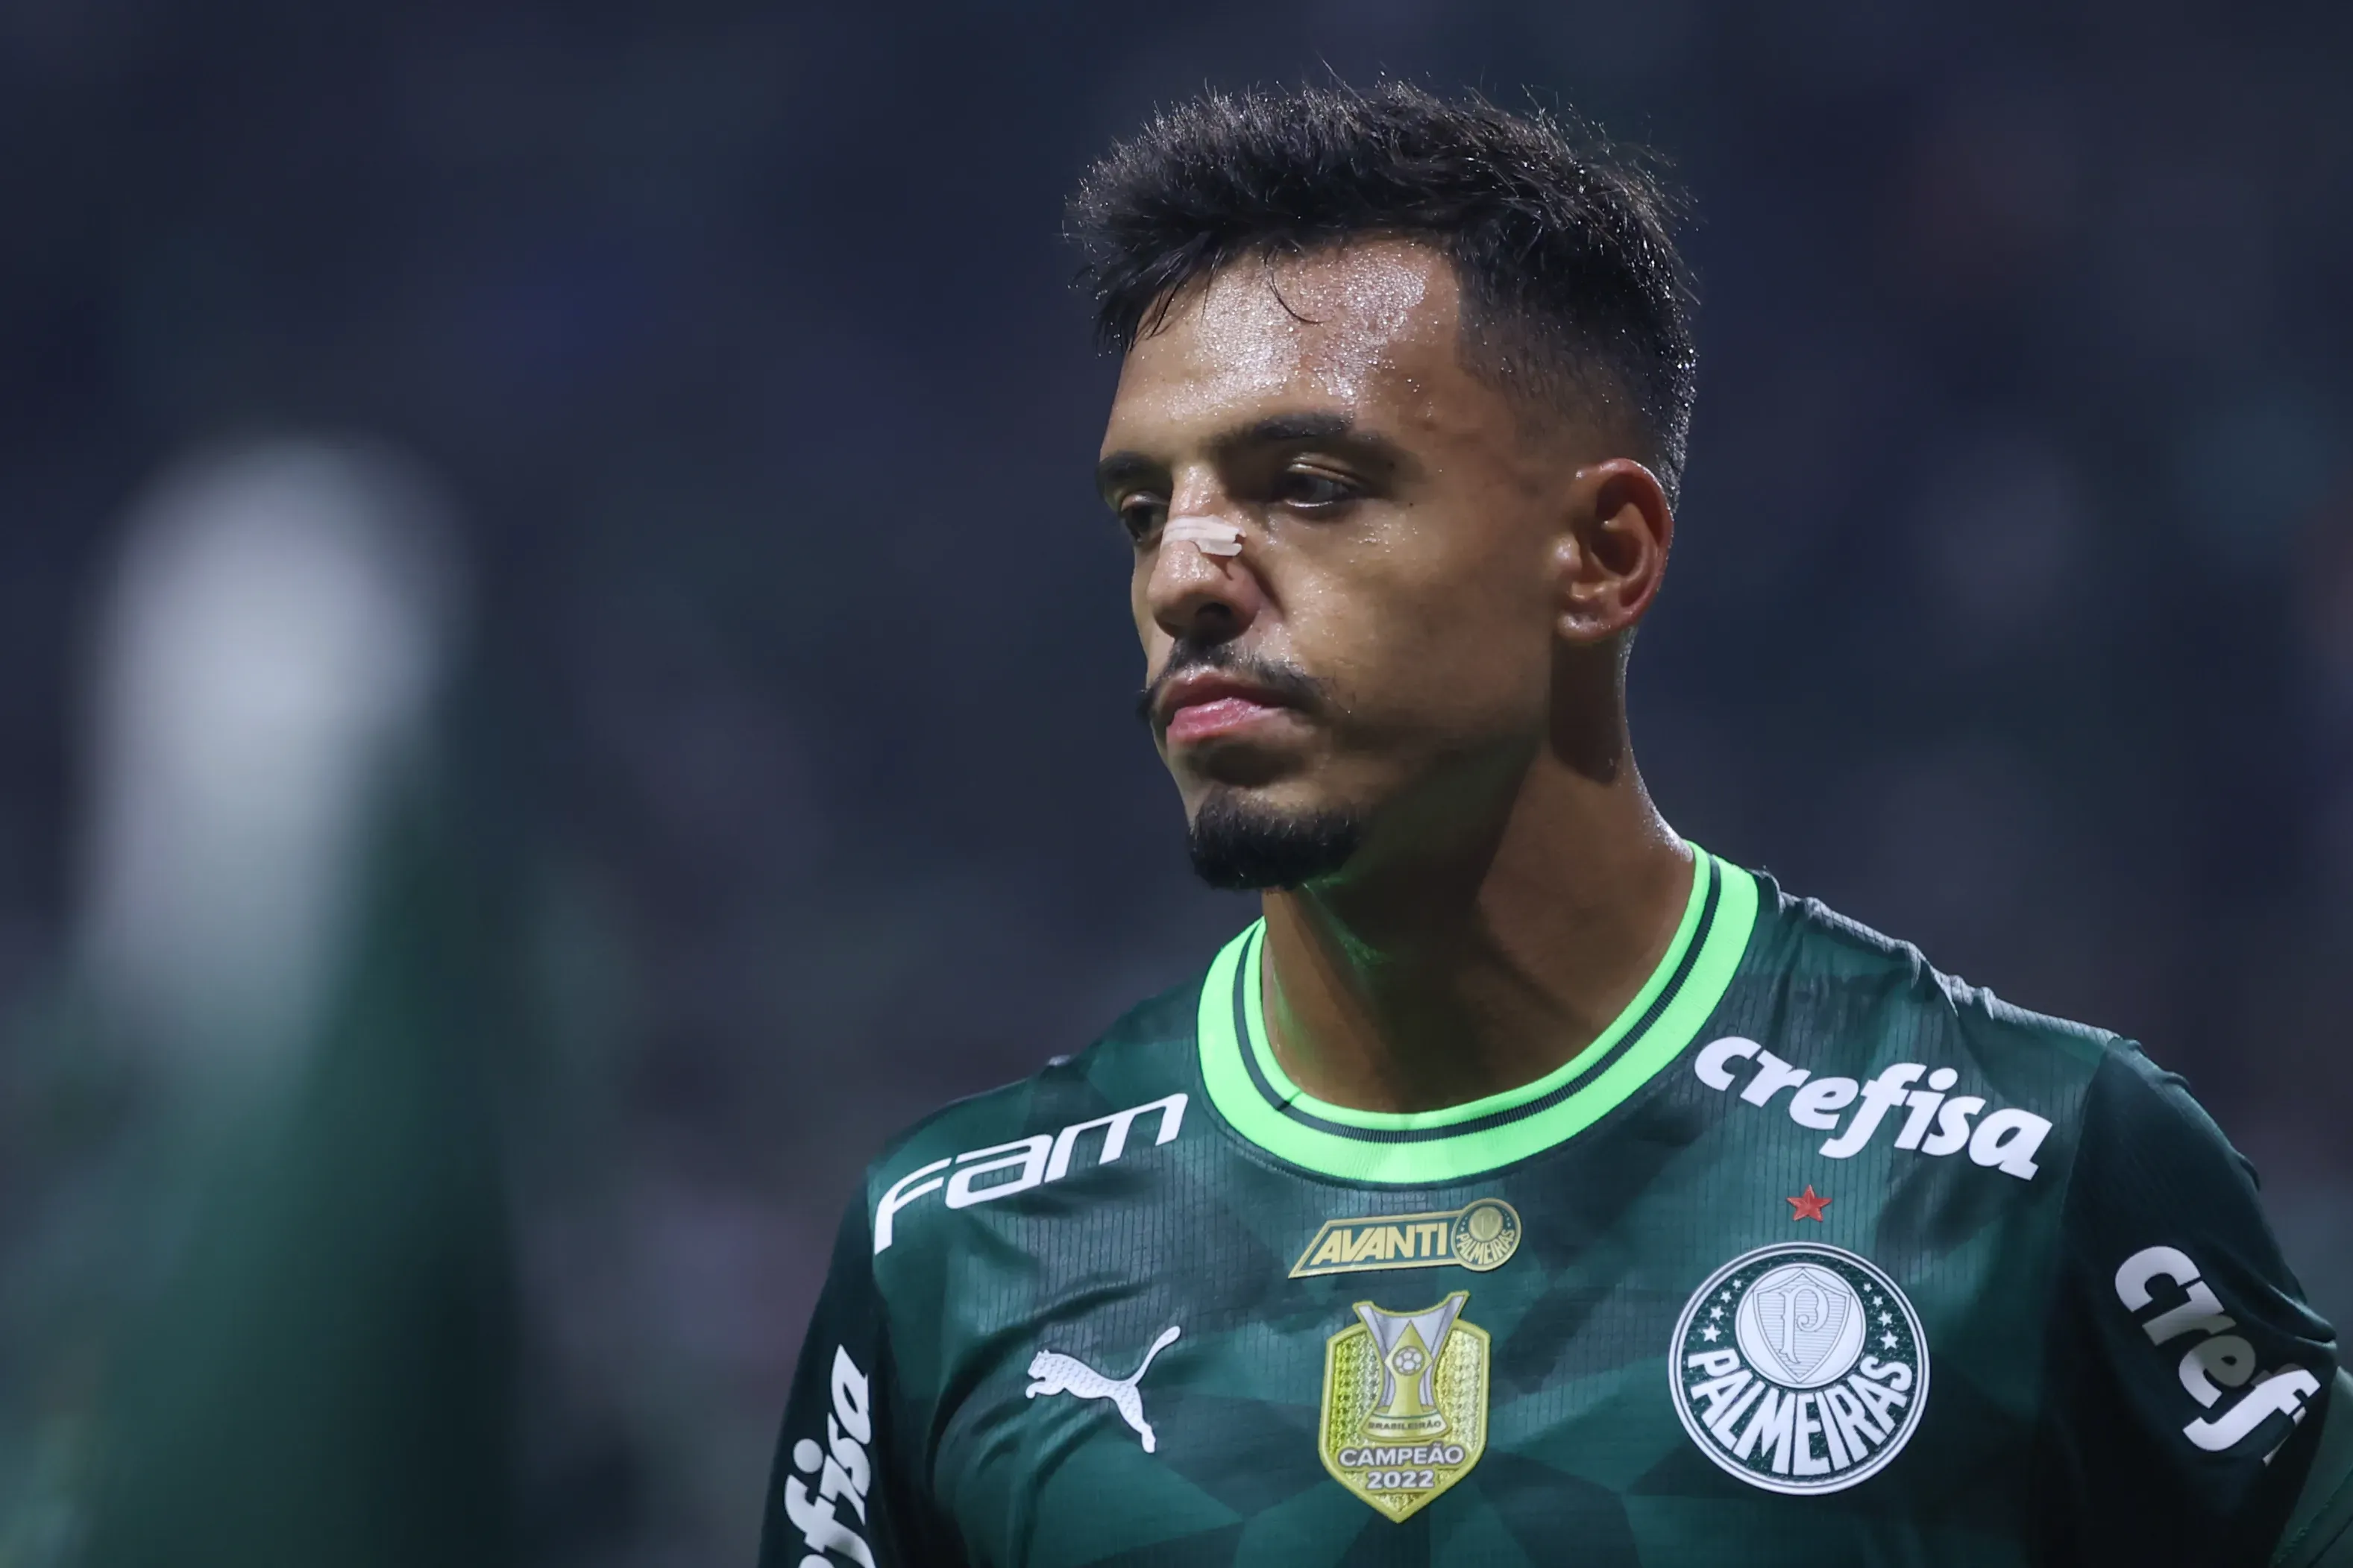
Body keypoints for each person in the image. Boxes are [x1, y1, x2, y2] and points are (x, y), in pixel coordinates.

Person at [758, 84, 2353, 1566]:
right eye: (1142, 509)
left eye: (1306, 482)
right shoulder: (957, 1248)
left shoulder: (2029, 1173)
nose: (1182, 574)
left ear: (1602, 554)